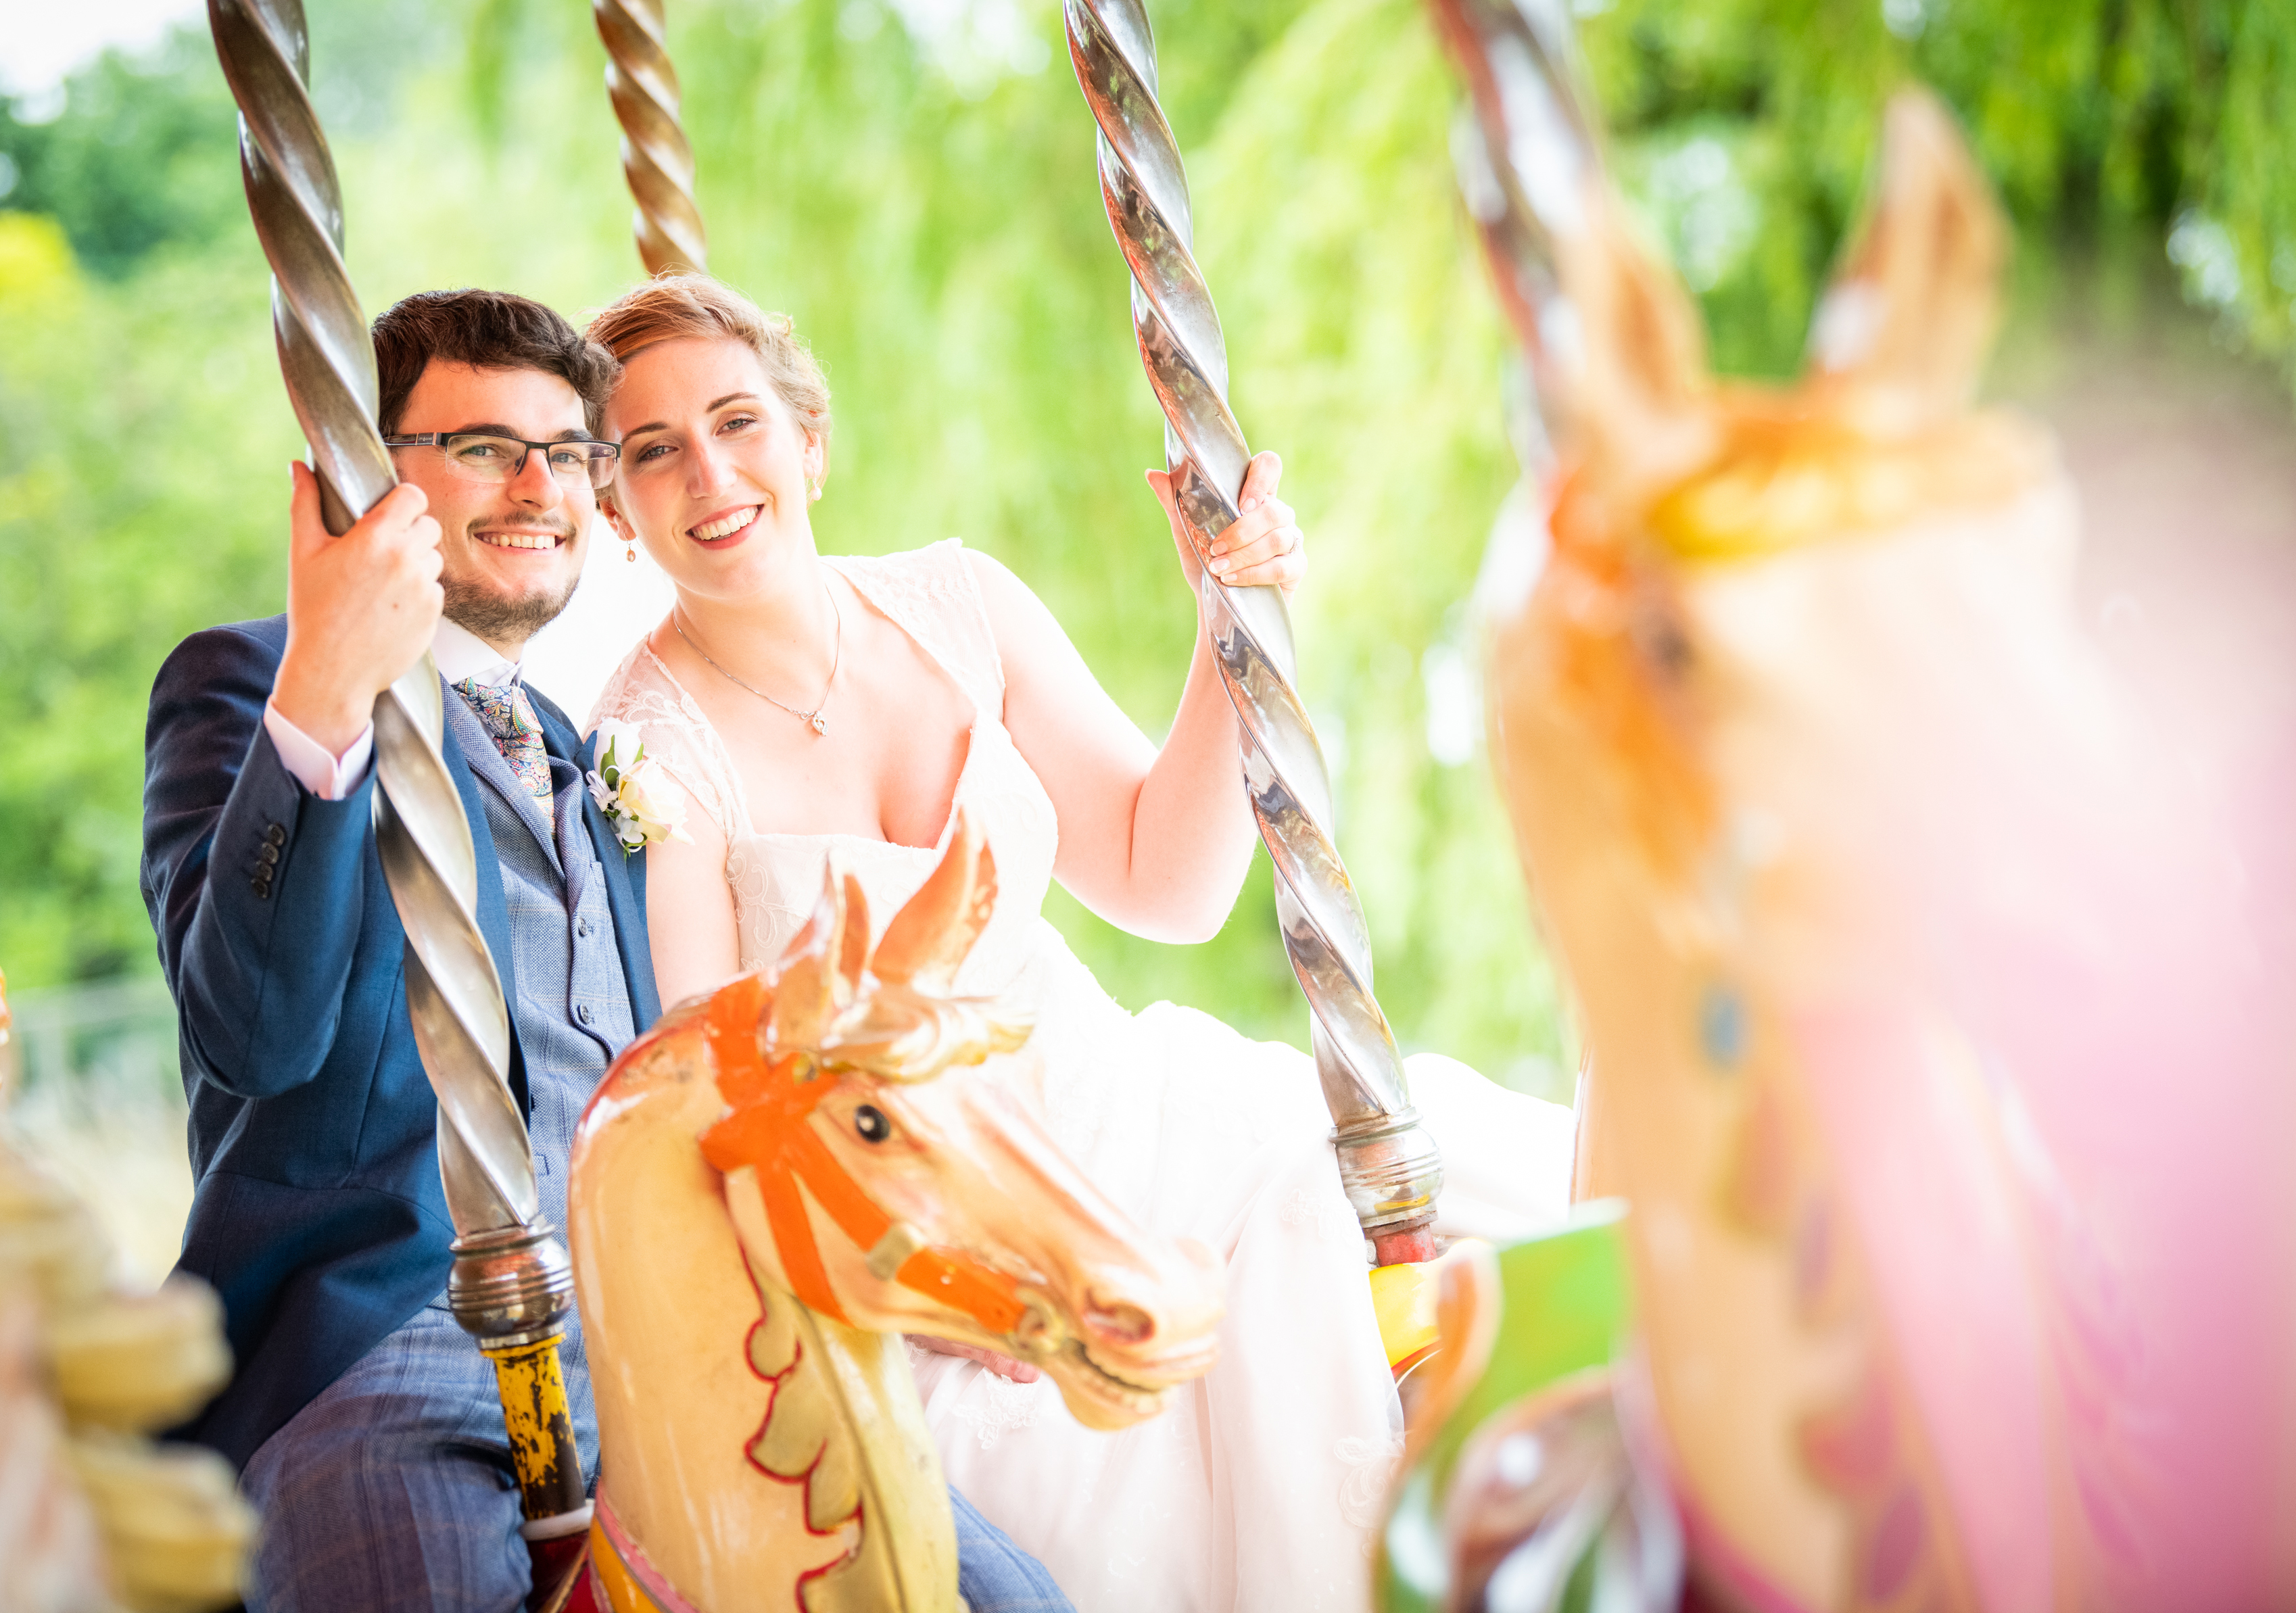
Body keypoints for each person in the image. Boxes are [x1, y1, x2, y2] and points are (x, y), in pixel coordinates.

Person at [580, 274, 1579, 1610]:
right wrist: (953, 1277)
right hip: (941, 1225)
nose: (710, 470)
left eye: (738, 419)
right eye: (653, 450)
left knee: (1481, 1171)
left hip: (1129, 1104)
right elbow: (742, 1112)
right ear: (615, 508)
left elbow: (1165, 879)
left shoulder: (958, 606)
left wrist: (1231, 628)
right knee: (1170, 1376)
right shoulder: (651, 745)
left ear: (809, 439)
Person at [139, 288, 1070, 1612]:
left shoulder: (602, 759)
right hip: (387, 1350)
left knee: (1004, 1598)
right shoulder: (249, 685)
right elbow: (251, 1030)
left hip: (662, 1346)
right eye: (480, 449)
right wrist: (328, 692)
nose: (539, 485)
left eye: (569, 453)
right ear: (361, 475)